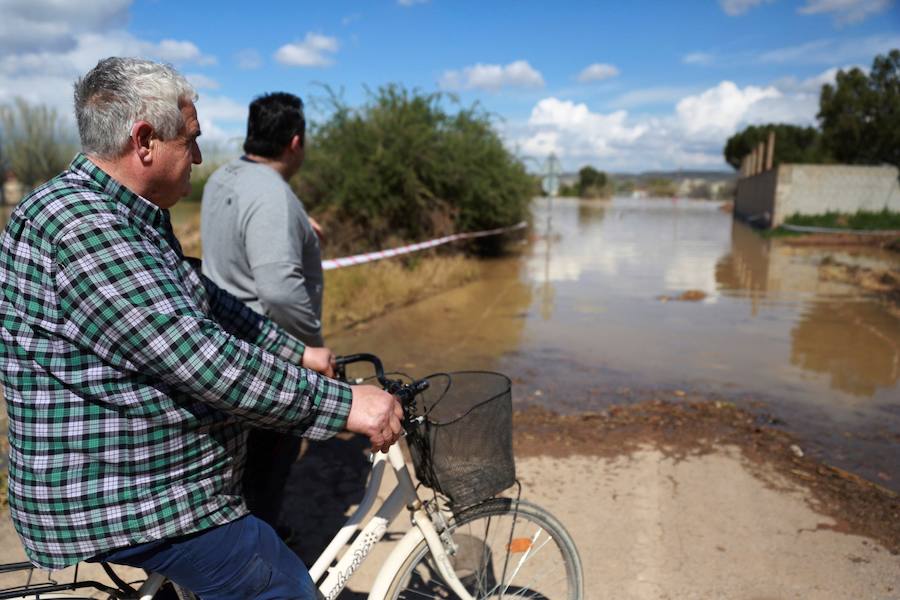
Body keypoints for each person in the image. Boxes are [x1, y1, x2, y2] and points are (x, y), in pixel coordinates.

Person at [0, 57, 403, 600]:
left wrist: (294, 351)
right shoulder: (82, 227)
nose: (197, 156)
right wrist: (346, 406)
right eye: (189, 140)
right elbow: (200, 357)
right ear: (144, 142)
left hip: (156, 475)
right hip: (127, 494)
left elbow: (204, 299)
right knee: (280, 584)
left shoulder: (128, 214)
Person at [200, 92, 324, 536]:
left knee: (241, 468)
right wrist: (312, 345)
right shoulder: (272, 194)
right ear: (295, 141)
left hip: (228, 345)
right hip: (272, 354)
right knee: (268, 467)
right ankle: (263, 562)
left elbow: (247, 230)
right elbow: (278, 291)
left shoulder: (224, 176)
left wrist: (298, 229)